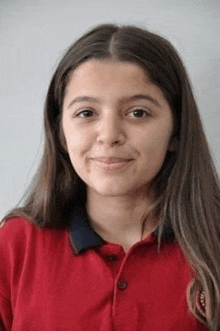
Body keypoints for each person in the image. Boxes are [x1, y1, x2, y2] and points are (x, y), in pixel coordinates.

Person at [0, 23, 219, 331]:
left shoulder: (214, 243)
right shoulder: (14, 245)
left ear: (176, 131)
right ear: (61, 133)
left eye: (138, 112)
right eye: (86, 113)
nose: (109, 135)